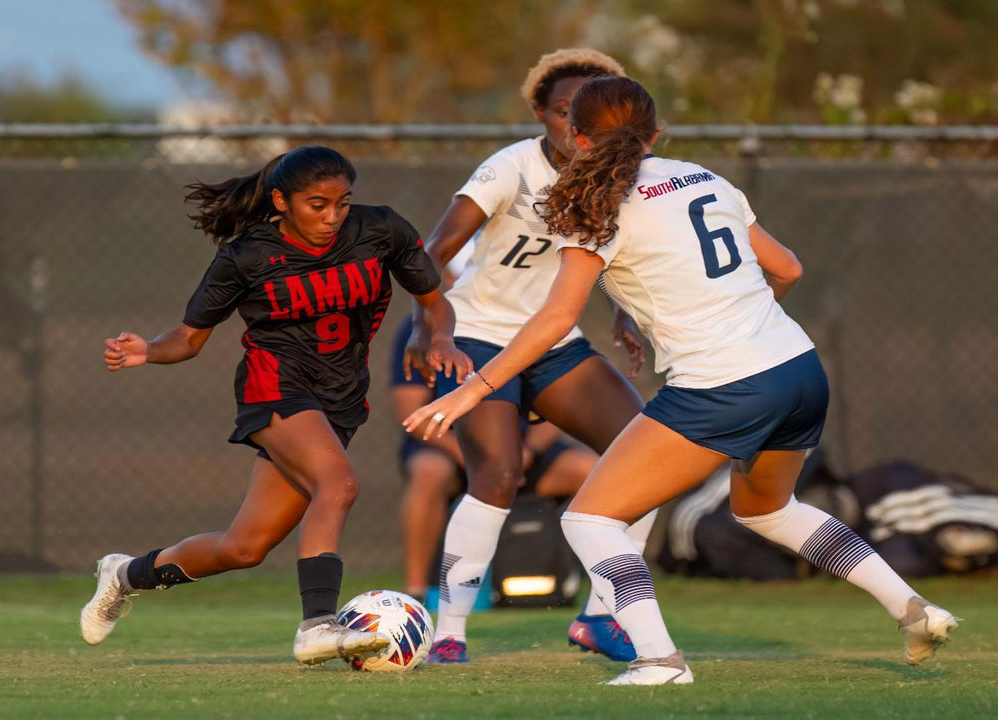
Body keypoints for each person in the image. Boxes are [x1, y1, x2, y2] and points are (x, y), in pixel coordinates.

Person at [404, 76, 959, 685]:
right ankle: (913, 607)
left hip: (722, 384)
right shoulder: (704, 176)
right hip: (798, 368)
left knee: (588, 520)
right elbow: (788, 269)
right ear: (657, 134)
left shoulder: (595, 205)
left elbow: (554, 322)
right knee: (769, 511)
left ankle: (660, 661)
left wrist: (473, 388)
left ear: (579, 136)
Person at [79, 145, 471, 666]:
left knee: (243, 548)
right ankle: (317, 627)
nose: (332, 217)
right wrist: (148, 350)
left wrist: (437, 338)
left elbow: (432, 300)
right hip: (275, 387)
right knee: (339, 484)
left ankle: (125, 575)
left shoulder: (380, 230)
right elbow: (189, 338)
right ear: (281, 201)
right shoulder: (247, 256)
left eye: (342, 203)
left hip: (340, 399)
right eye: (317, 204)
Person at [408, 48, 686, 664]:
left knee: (652, 458)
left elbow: (606, 259)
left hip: (556, 346)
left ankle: (598, 618)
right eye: (562, 111)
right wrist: (431, 329)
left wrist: (620, 313)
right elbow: (431, 251)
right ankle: (447, 633)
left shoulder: (621, 177)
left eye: (583, 113)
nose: (572, 126)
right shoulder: (511, 167)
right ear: (543, 113)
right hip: (481, 337)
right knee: (498, 476)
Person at [390, 312, 601, 602]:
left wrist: (524, 454)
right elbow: (410, 411)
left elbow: (561, 405)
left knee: (592, 470)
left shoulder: (538, 317)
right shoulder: (423, 327)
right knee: (429, 472)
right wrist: (477, 460)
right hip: (451, 448)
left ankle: (593, 585)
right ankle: (415, 590)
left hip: (522, 447)